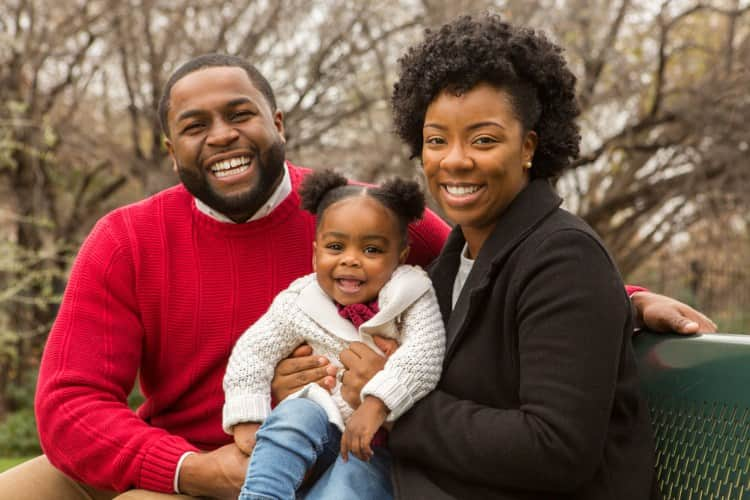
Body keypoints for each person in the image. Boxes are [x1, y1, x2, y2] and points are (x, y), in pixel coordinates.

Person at [0, 51, 713, 499]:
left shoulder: (356, 221)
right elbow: (67, 407)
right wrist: (191, 468)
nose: (220, 135)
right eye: (195, 125)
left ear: (278, 122)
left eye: (240, 114)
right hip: (183, 456)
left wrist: (627, 300)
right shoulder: (126, 239)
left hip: (304, 452)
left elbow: (483, 265)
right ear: (170, 148)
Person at [330, 15, 663, 498]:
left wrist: (392, 400)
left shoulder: (565, 258)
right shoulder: (453, 258)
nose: (454, 160)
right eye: (436, 140)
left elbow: (555, 449)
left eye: (483, 140)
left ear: (528, 146)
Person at [224, 170, 445, 499]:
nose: (351, 260)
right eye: (336, 246)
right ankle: (263, 495)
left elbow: (425, 354)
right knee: (294, 416)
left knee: (345, 488)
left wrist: (377, 403)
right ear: (315, 254)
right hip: (322, 423)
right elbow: (253, 352)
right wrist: (247, 417)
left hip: (377, 445)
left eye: (371, 250)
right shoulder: (300, 301)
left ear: (400, 256)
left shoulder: (410, 295)